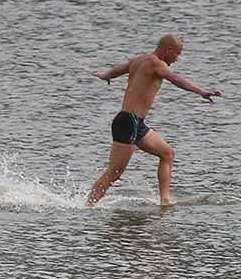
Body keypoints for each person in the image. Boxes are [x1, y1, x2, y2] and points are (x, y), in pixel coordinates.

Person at [86, 34, 221, 206]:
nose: (177, 59)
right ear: (168, 49)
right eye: (177, 54)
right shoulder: (157, 63)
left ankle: (165, 201)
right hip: (129, 122)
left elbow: (119, 69)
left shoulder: (139, 60)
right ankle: (88, 206)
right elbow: (175, 79)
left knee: (167, 153)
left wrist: (106, 75)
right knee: (115, 172)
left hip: (134, 123)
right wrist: (201, 91)